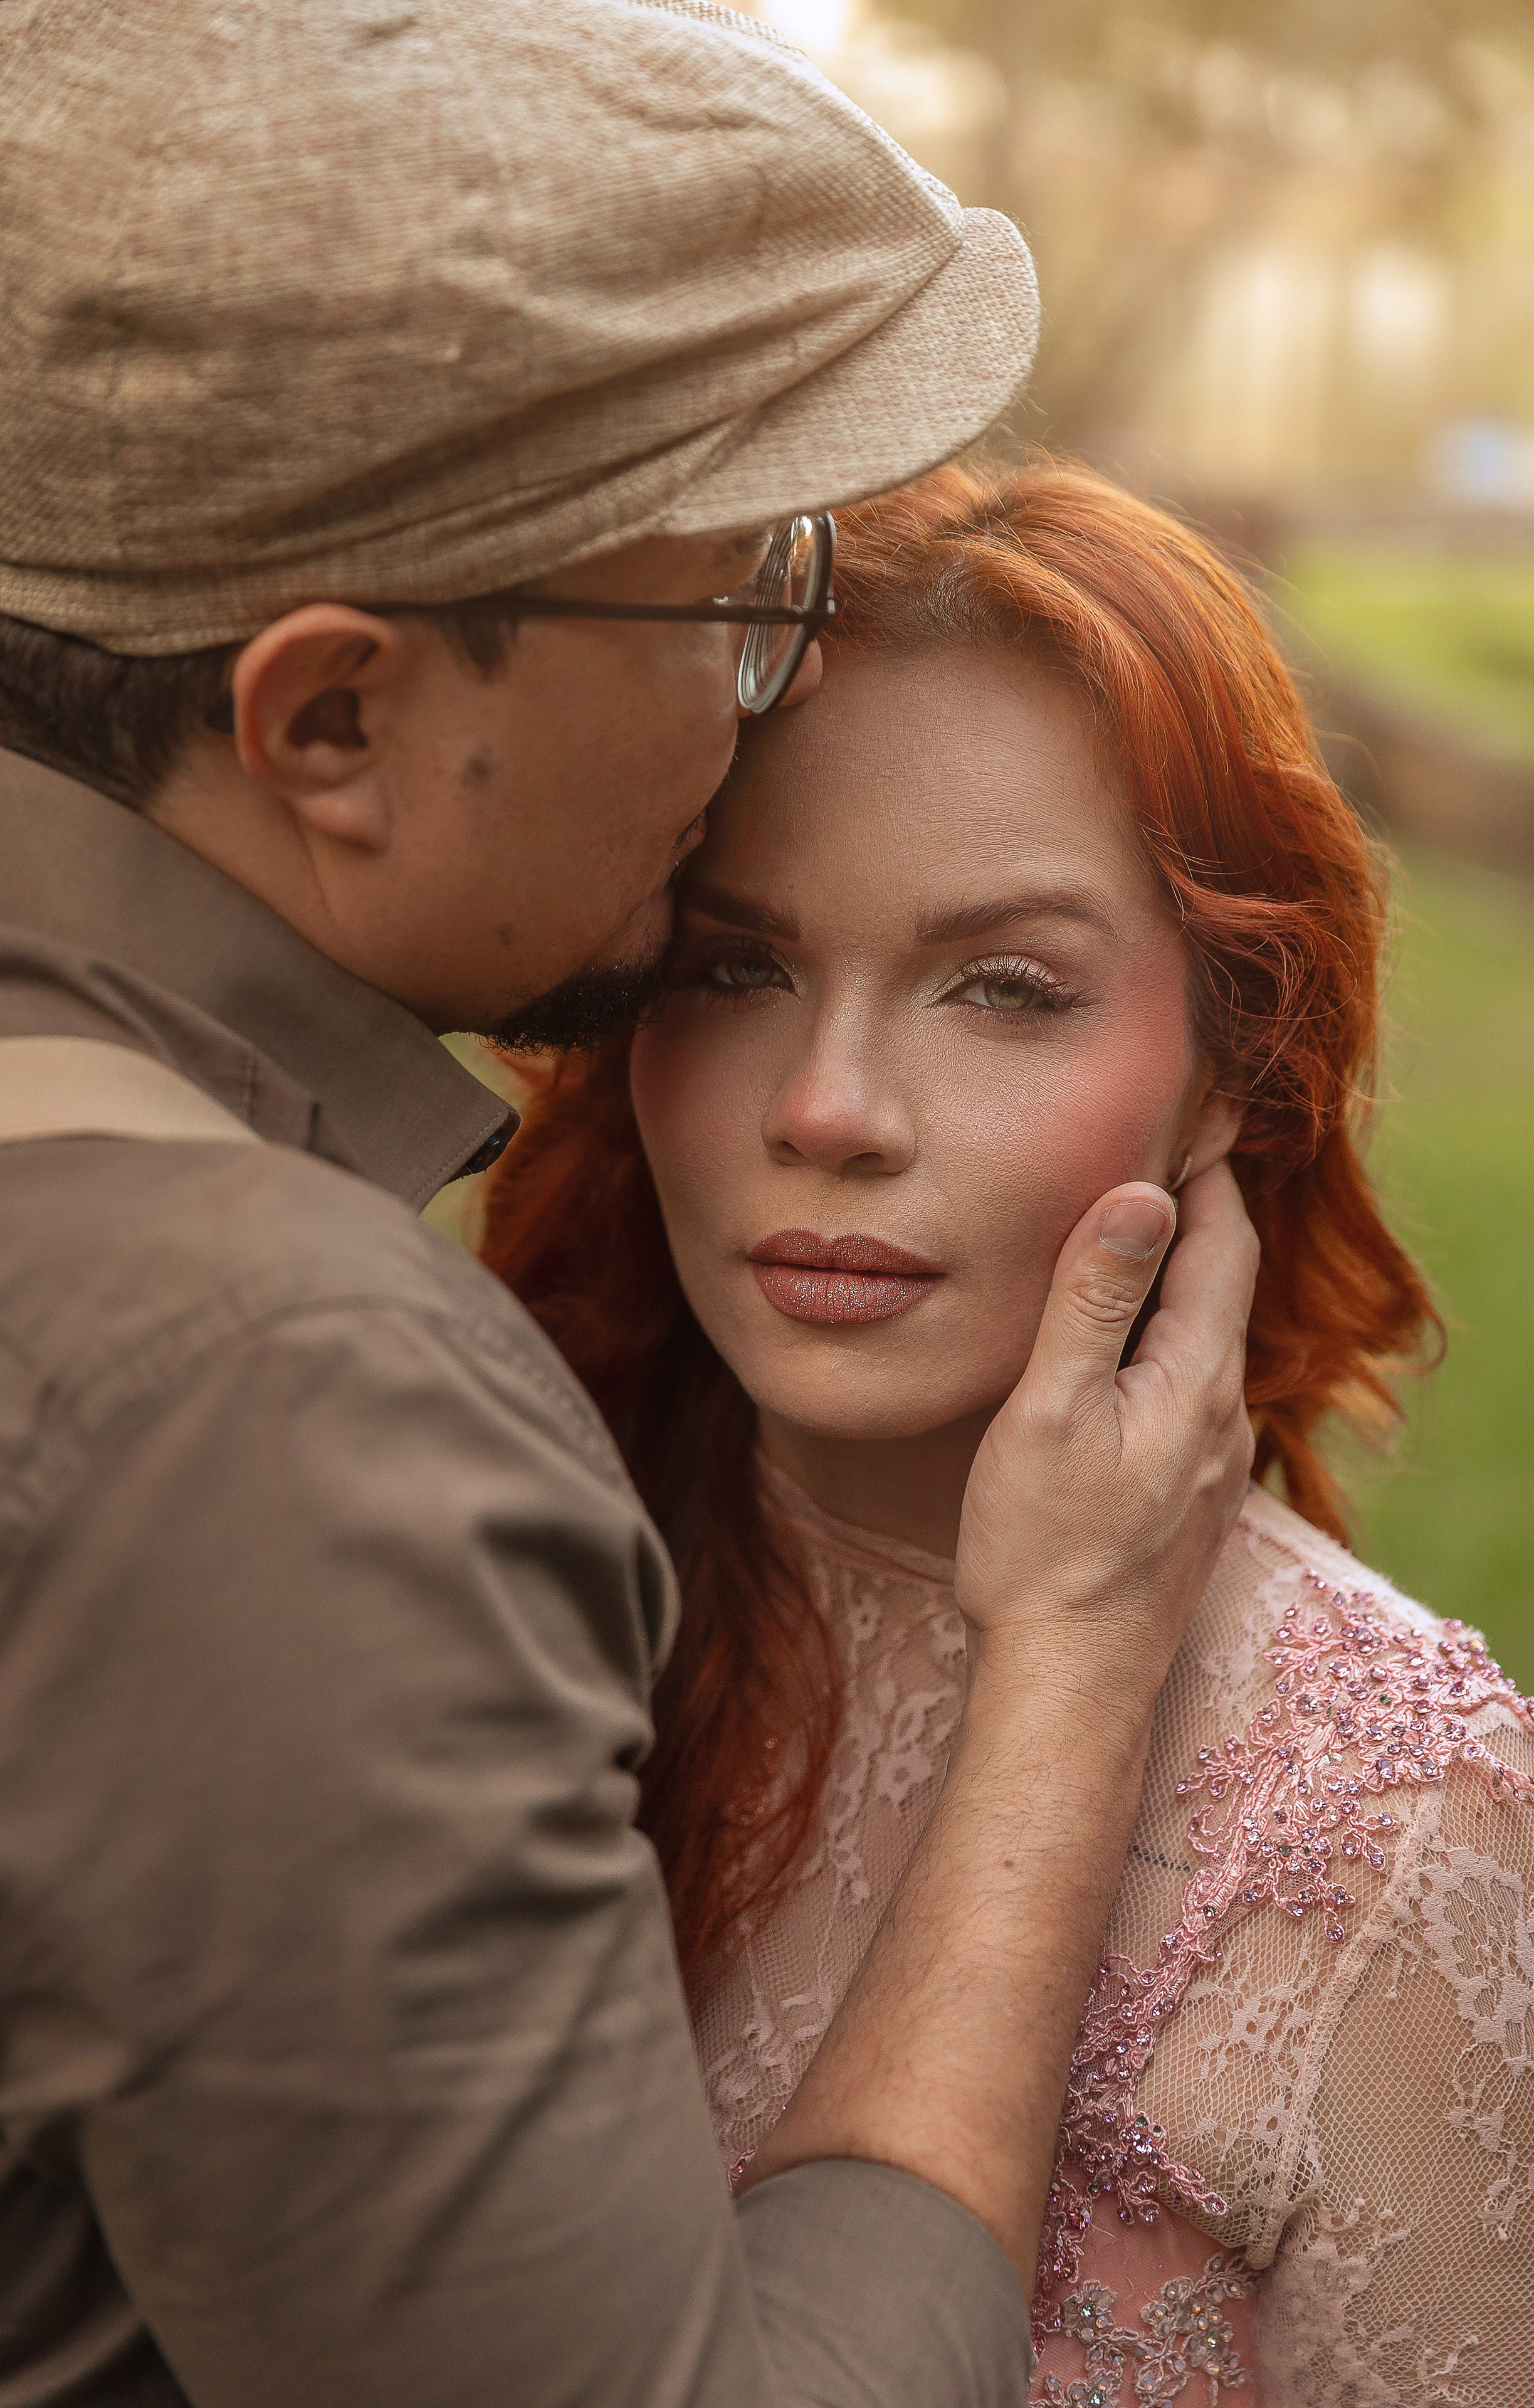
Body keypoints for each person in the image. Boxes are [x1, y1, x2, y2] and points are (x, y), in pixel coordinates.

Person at [0, 6, 1266, 2405]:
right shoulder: (266, 1403)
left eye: (999, 984)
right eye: (726, 604)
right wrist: (1068, 1671)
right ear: (328, 722)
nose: (763, 699)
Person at [480, 460, 1534, 2405]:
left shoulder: (1398, 1822)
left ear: (1233, 1068)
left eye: (1004, 988)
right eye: (737, 964)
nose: (831, 1104)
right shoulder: (462, 1566)